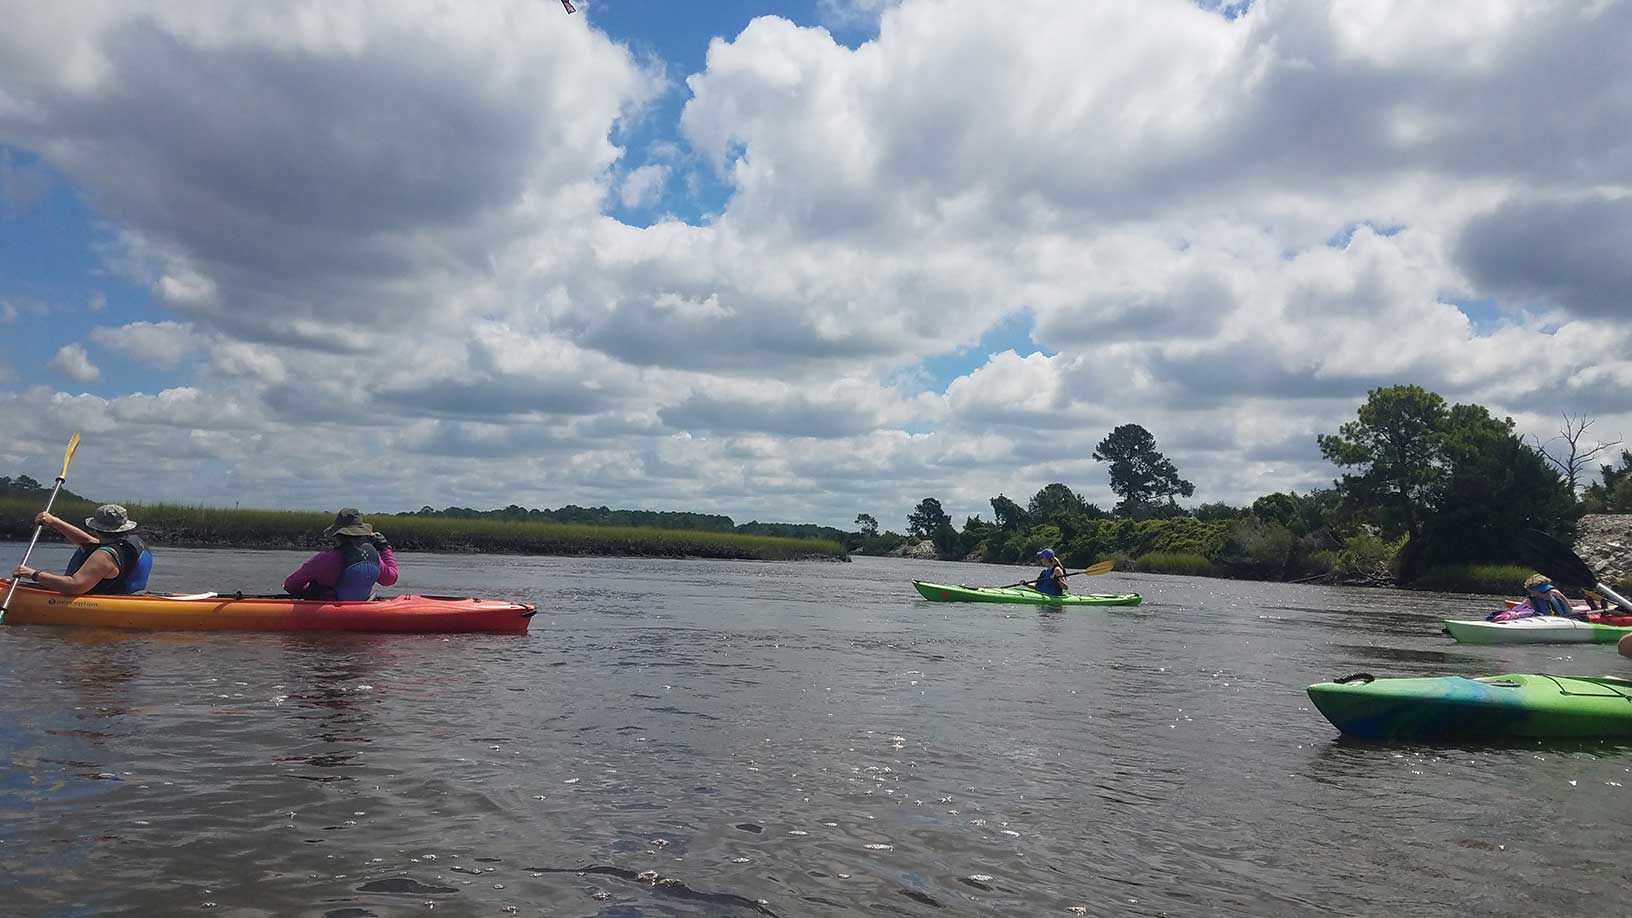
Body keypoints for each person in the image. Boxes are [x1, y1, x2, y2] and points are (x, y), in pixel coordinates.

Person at [13, 504, 153, 596]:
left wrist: (33, 574)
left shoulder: (104, 556)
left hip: (102, 602)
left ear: (95, 528)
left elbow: (74, 586)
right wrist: (55, 522)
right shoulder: (131, 543)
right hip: (127, 596)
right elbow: (87, 541)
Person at [283, 508, 398, 601]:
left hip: (329, 612)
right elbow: (390, 579)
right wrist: (385, 548)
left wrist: (308, 590)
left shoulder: (324, 560)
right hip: (362, 605)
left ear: (337, 536)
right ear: (363, 534)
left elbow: (290, 585)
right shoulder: (374, 558)